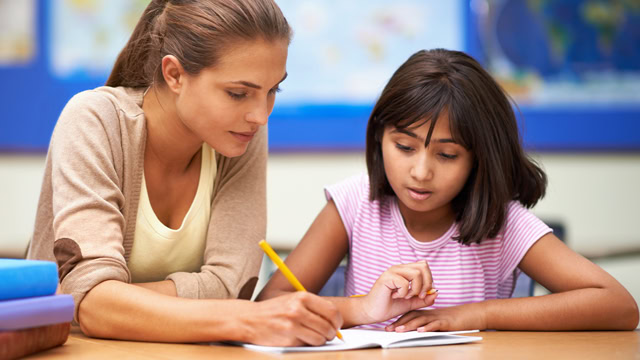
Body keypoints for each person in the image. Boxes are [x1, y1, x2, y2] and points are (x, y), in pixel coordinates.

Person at [28, 0, 342, 346]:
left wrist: (110, 300)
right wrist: (244, 318)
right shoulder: (94, 120)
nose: (260, 115)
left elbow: (232, 287)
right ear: (174, 74)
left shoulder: (240, 134)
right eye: (238, 93)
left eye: (273, 91)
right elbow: (93, 305)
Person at [258, 48, 639, 331]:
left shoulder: (502, 223)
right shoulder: (355, 203)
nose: (421, 172)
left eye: (448, 154)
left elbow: (619, 306)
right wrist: (357, 310)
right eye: (404, 147)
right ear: (378, 138)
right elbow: (271, 304)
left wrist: (474, 314)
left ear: (479, 158)